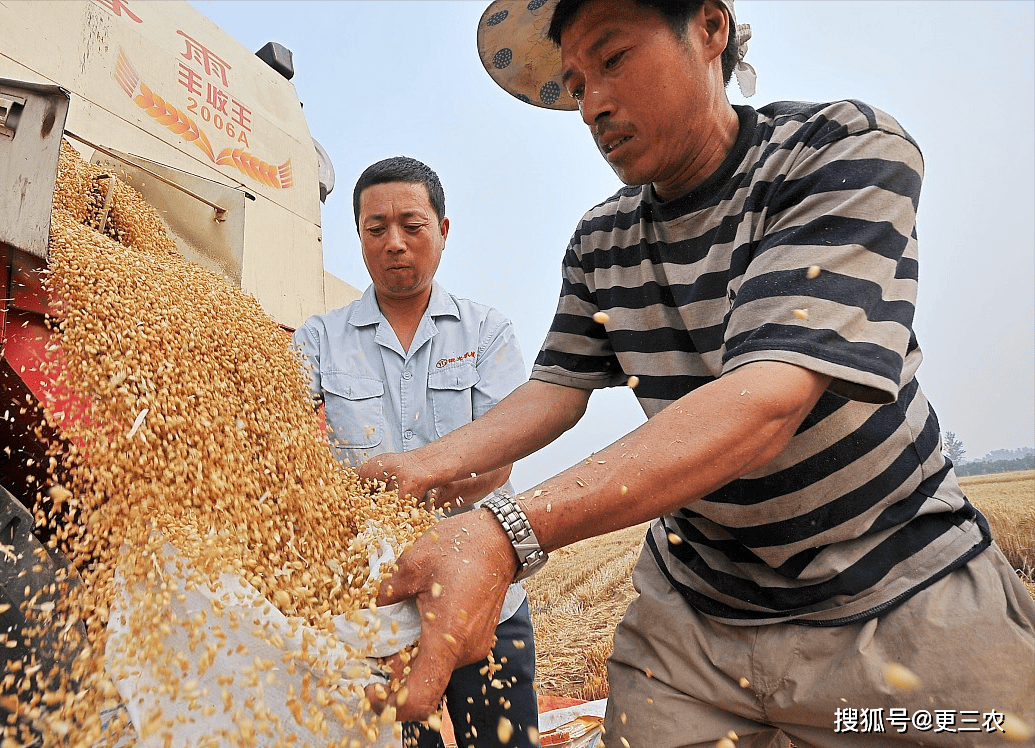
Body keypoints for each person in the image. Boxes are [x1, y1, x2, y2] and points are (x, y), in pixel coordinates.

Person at [358, 2, 1035, 747]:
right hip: (695, 620)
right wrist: (421, 468)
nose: (593, 105)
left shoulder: (837, 152)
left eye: (612, 59)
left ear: (710, 29)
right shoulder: (600, 239)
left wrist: (504, 532)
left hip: (896, 595)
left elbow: (768, 398)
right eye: (578, 83)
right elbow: (555, 391)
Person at [292, 156, 540, 748]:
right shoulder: (319, 339)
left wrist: (409, 481)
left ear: (444, 230)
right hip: (377, 613)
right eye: (375, 230)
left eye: (412, 225)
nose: (394, 244)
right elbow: (288, 451)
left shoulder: (486, 332)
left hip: (486, 600)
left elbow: (499, 455)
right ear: (358, 237)